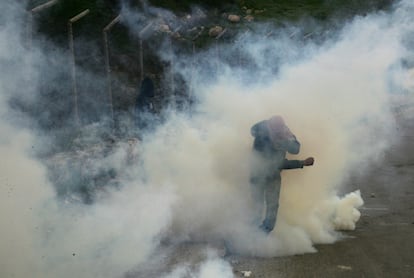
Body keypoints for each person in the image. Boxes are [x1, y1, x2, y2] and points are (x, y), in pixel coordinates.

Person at [250, 115, 314, 233]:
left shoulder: (283, 132)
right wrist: (302, 163)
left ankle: (263, 233)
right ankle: (251, 234)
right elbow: (278, 164)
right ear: (269, 127)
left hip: (273, 175)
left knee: (272, 206)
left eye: (281, 129)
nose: (280, 133)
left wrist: (289, 137)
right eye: (276, 131)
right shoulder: (262, 139)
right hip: (258, 175)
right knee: (256, 204)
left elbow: (295, 149)